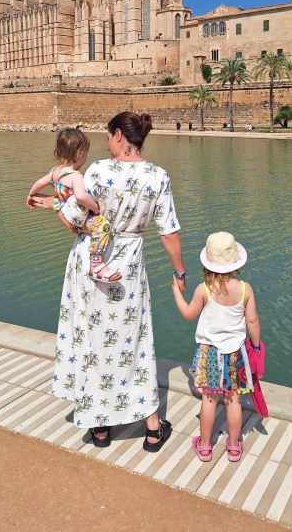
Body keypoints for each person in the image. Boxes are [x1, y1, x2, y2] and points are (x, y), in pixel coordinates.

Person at [35, 111, 185, 451]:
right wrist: (179, 272)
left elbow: (74, 221)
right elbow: (169, 233)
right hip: (129, 266)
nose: (105, 142)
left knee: (92, 340)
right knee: (135, 341)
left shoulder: (98, 170)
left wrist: (53, 203)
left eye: (107, 136)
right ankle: (151, 428)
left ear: (119, 135)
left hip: (90, 263)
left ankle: (100, 429)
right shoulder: (158, 177)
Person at [171, 231, 260, 463]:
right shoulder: (244, 289)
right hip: (235, 353)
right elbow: (252, 321)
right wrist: (256, 345)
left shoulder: (204, 289)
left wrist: (175, 293)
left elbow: (189, 314)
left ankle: (204, 446)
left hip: (209, 351)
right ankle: (233, 446)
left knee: (209, 399)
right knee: (233, 400)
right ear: (235, 262)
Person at [26, 128, 119, 282]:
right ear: (80, 154)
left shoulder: (55, 172)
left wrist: (30, 195)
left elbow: (39, 183)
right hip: (76, 219)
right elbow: (81, 197)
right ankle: (96, 265)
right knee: (103, 226)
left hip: (65, 213)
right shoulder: (76, 177)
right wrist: (95, 208)